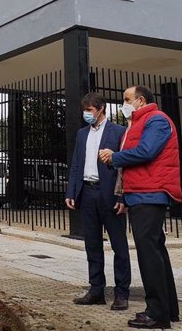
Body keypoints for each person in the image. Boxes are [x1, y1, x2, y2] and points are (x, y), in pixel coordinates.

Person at [99, 86, 182, 329]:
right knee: (156, 252)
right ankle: (168, 310)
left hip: (151, 193)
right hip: (141, 194)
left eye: (127, 99)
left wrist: (114, 157)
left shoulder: (156, 120)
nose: (123, 104)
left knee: (149, 254)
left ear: (141, 100)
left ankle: (157, 314)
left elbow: (147, 151)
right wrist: (124, 196)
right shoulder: (137, 124)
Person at [65, 92, 131, 311]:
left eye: (90, 110)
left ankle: (122, 293)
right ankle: (96, 291)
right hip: (87, 194)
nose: (87, 114)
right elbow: (76, 164)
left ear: (101, 109)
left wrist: (123, 196)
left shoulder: (119, 132)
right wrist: (71, 191)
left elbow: (125, 168)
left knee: (119, 246)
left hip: (110, 196)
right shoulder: (82, 134)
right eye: (85, 111)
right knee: (92, 245)